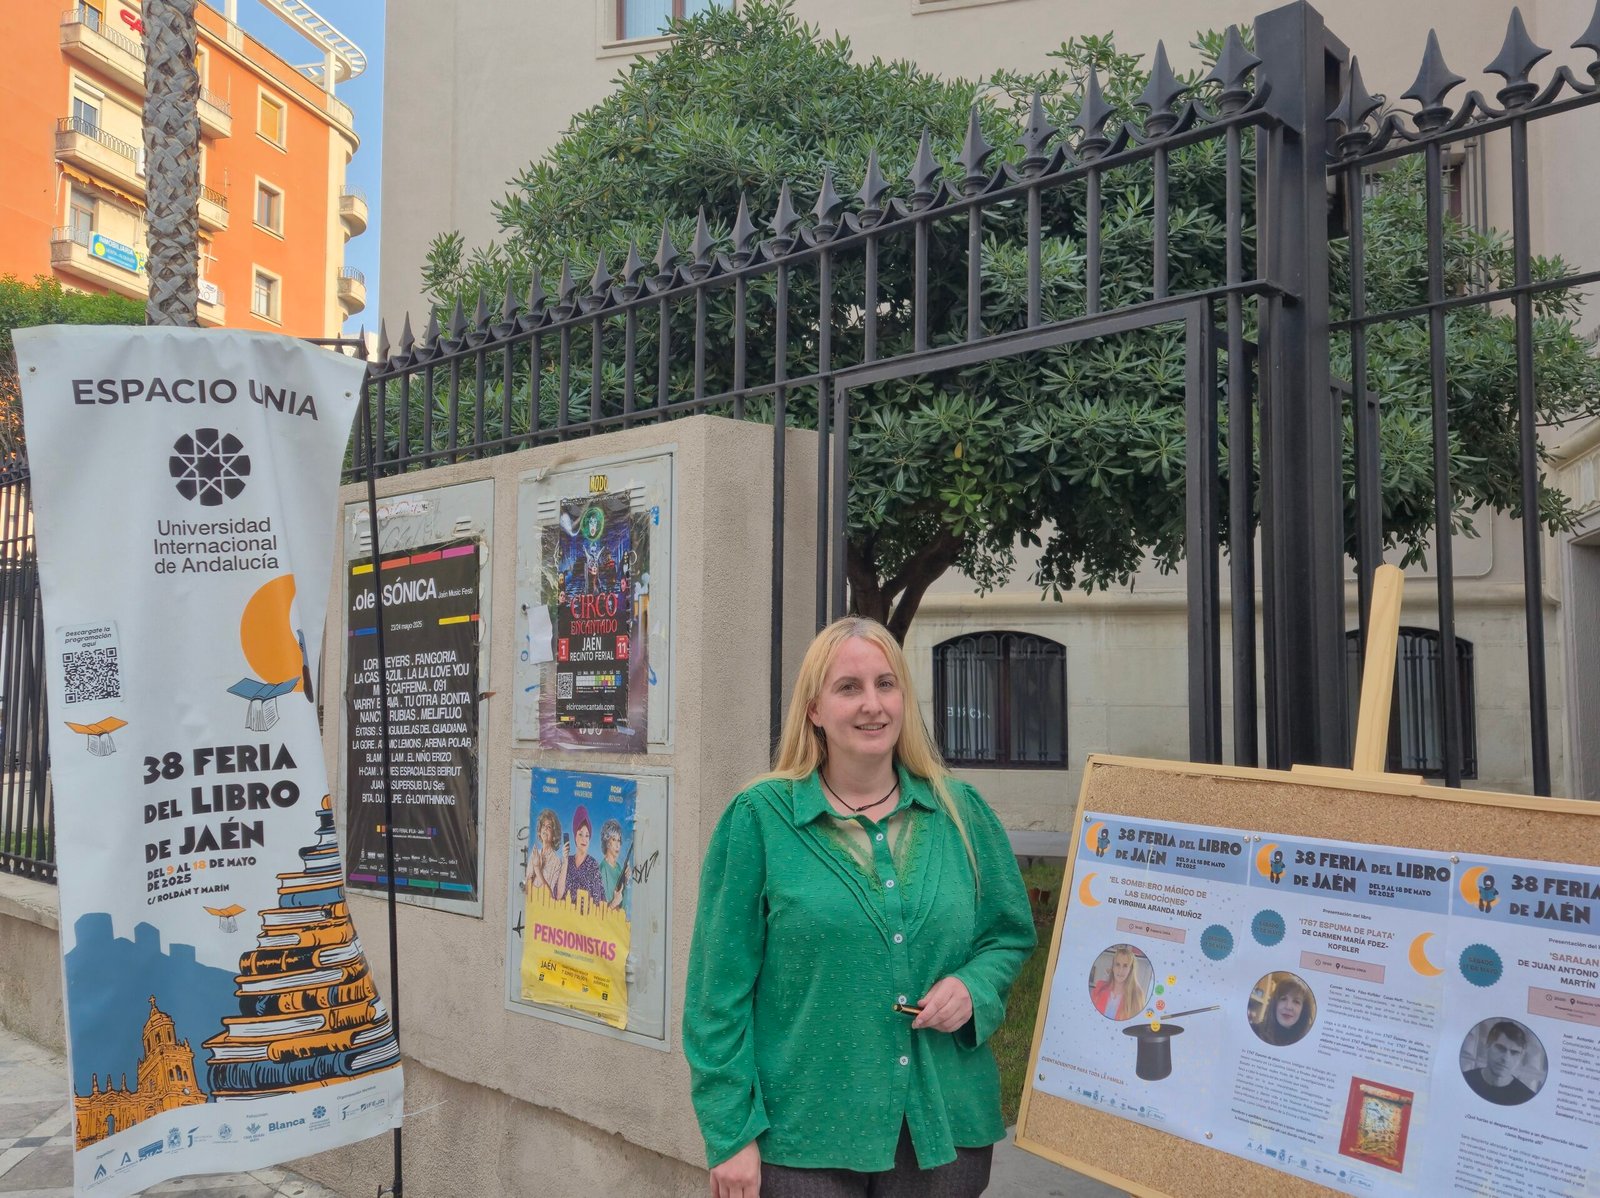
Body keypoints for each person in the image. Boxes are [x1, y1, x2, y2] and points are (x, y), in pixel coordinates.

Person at [684, 617, 1035, 1198]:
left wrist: (974, 987)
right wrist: (730, 1134)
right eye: (849, 687)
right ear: (815, 708)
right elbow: (715, 997)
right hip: (804, 1138)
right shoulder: (759, 820)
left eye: (885, 684)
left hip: (943, 1134)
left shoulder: (960, 812)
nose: (872, 704)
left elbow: (1009, 935)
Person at [1463, 1021, 1539, 1105]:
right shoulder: (1464, 1079)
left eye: (1514, 1052)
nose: (1506, 1059)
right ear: (1487, 1046)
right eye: (1500, 1048)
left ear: (1521, 1057)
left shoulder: (1527, 1097)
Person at [557, 804, 605, 907]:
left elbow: (597, 902)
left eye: (587, 835)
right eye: (580, 834)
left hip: (585, 921)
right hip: (564, 918)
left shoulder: (593, 865)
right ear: (575, 836)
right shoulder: (567, 862)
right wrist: (565, 861)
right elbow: (558, 895)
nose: (584, 839)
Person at [1089, 945, 1147, 1020]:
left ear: (1131, 969)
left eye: (1125, 966)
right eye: (1117, 964)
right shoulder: (1100, 986)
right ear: (1113, 967)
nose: (1120, 970)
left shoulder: (1137, 995)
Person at [1254, 975, 1313, 1046]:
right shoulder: (1255, 1031)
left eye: (1296, 1001)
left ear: (1303, 1010)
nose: (1288, 1007)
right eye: (1283, 999)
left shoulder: (1308, 1044)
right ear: (1275, 1003)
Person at [523, 808, 565, 897]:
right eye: (543, 825)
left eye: (549, 827)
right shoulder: (535, 854)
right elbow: (526, 889)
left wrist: (537, 869)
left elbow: (551, 896)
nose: (545, 829)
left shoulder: (557, 862)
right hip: (531, 904)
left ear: (554, 834)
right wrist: (531, 875)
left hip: (543, 908)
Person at [599, 817, 629, 911]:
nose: (617, 845)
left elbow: (623, 907)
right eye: (614, 839)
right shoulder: (603, 869)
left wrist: (626, 881)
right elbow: (602, 910)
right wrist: (614, 903)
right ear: (607, 842)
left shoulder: (619, 868)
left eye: (619, 840)